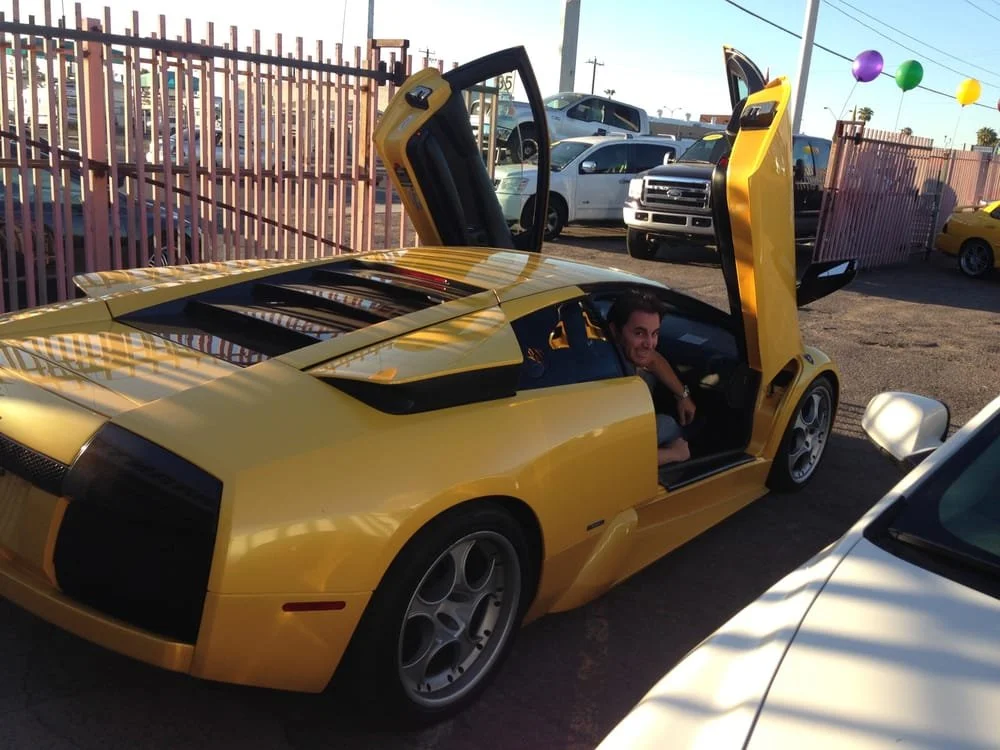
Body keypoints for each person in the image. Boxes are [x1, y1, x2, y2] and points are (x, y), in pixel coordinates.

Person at [606, 290, 695, 465]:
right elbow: (617, 459)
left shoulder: (607, 348)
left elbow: (653, 359)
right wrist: (675, 454)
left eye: (654, 334)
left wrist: (682, 396)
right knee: (668, 424)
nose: (649, 344)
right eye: (639, 333)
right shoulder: (611, 379)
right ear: (614, 330)